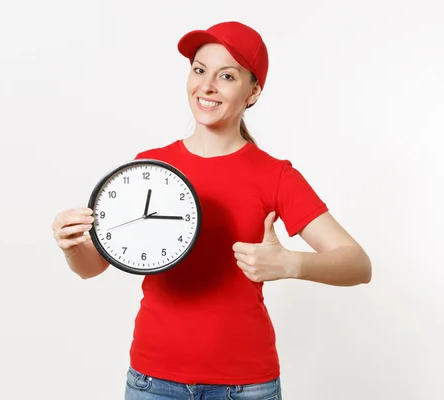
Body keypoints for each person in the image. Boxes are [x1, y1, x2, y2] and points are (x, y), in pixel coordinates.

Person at [51, 21, 372, 400]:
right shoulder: (148, 166)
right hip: (153, 382)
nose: (206, 86)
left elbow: (358, 265)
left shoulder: (275, 175)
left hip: (245, 386)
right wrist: (72, 246)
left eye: (227, 76)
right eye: (199, 70)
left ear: (253, 92)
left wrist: (289, 264)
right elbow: (94, 266)